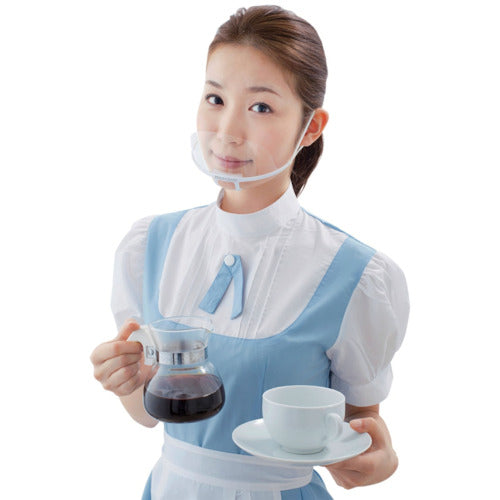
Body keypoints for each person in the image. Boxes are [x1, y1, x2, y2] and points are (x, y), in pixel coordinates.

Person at [90, 5, 410, 499]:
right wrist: (128, 380)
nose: (227, 131)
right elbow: (148, 416)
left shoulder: (356, 275)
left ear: (311, 128)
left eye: (261, 107)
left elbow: (360, 433)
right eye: (215, 98)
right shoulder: (150, 245)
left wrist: (380, 460)